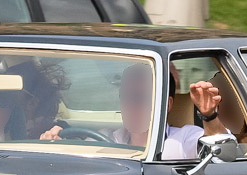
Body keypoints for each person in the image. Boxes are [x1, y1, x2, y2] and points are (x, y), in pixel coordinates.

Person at [40, 63, 229, 158]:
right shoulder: (104, 139)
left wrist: (209, 116)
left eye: (141, 98)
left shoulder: (183, 139)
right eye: (126, 97)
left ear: (167, 105)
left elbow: (225, 151)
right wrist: (55, 146)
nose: (131, 106)